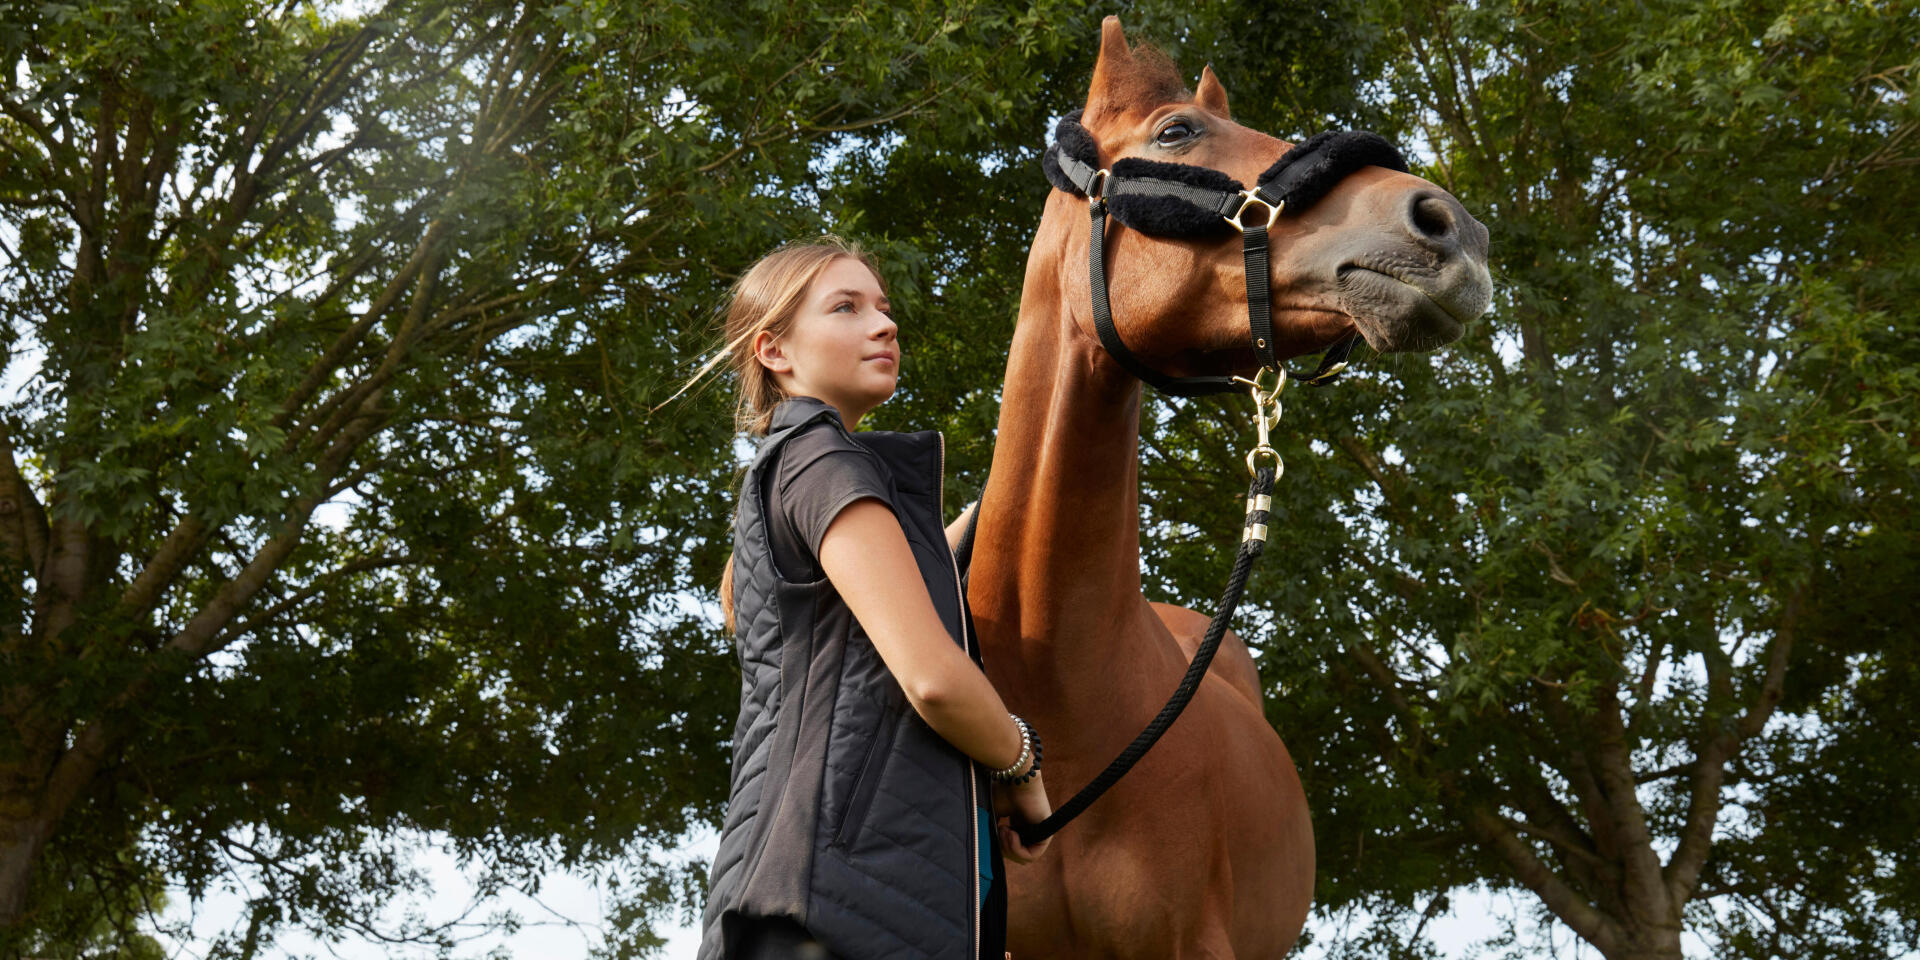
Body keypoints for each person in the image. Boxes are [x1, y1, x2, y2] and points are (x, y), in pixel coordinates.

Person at [690, 236, 1051, 960]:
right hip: (825, 906)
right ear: (775, 351)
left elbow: (924, 576)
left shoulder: (820, 473)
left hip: (861, 902)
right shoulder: (822, 461)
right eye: (846, 308)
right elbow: (935, 679)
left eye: (883, 308)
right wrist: (1023, 766)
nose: (883, 324)